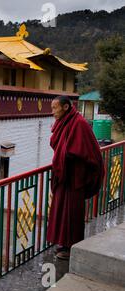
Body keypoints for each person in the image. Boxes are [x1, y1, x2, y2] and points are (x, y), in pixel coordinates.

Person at [46, 96, 104, 260]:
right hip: (64, 175)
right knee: (60, 211)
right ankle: (63, 244)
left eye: (55, 108)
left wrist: (67, 156)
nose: (52, 112)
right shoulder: (64, 122)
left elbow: (88, 152)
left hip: (75, 177)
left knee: (72, 213)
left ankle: (72, 247)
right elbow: (57, 144)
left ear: (65, 107)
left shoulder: (79, 123)